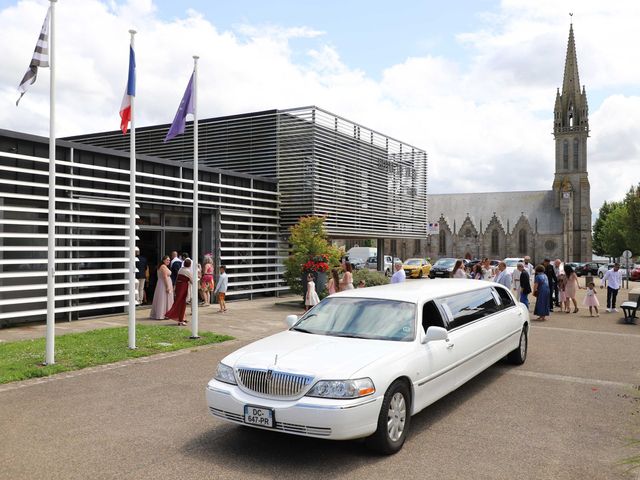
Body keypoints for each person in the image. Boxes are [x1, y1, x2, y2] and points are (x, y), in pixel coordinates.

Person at [165, 258, 193, 325]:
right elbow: (192, 281)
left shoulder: (181, 269)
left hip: (178, 286)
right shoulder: (188, 271)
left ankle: (182, 318)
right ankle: (179, 319)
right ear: (190, 265)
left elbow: (178, 277)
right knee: (181, 303)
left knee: (179, 302)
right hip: (184, 287)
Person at [150, 255, 173, 320]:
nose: (168, 261)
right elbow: (165, 277)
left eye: (169, 260)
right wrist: (167, 286)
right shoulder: (163, 266)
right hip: (163, 284)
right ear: (163, 260)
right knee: (163, 299)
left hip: (162, 284)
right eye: (167, 260)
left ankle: (166, 314)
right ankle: (163, 314)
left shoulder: (164, 266)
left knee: (165, 299)